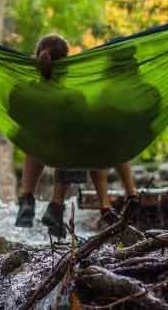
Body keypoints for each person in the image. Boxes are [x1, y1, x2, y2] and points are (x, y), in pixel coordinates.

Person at [13, 35, 140, 238]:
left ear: (36, 60)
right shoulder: (74, 97)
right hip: (66, 156)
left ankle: (26, 197)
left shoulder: (21, 92)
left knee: (36, 137)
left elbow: (13, 115)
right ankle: (57, 205)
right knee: (79, 138)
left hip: (37, 149)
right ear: (68, 65)